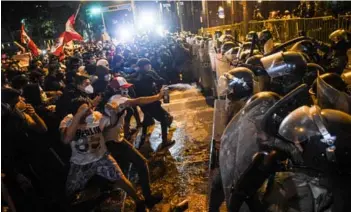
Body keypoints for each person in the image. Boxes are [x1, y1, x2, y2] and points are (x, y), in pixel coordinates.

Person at [59, 97, 146, 211]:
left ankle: (140, 202)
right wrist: (79, 115)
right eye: (86, 110)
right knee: (70, 192)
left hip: (101, 157)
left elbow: (111, 123)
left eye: (89, 108)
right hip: (80, 163)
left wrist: (114, 112)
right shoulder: (68, 120)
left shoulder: (96, 116)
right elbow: (66, 139)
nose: (90, 112)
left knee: (121, 179)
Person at [103, 82, 167, 209]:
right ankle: (146, 199)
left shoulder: (114, 98)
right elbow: (138, 101)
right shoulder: (117, 99)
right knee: (139, 164)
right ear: (116, 89)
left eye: (127, 88)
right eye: (124, 88)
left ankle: (141, 199)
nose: (127, 90)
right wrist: (158, 96)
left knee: (122, 173)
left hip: (115, 139)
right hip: (113, 142)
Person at [129, 58, 175, 150]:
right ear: (142, 66)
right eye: (147, 65)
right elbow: (161, 81)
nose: (149, 66)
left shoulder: (134, 76)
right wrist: (155, 76)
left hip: (143, 104)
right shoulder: (149, 75)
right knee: (164, 118)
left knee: (147, 119)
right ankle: (165, 141)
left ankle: (143, 137)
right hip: (152, 103)